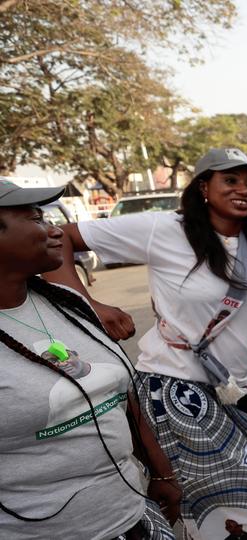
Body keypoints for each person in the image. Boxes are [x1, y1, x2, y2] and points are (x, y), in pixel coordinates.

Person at [46, 107, 247, 539]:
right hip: (176, 390)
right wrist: (88, 305)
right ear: (204, 187)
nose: (244, 190)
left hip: (239, 388)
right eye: (231, 180)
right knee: (230, 517)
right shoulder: (164, 229)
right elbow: (62, 240)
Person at [0, 181, 180, 539]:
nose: (54, 229)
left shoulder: (67, 301)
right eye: (35, 218)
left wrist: (161, 473)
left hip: (131, 515)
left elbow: (120, 395)